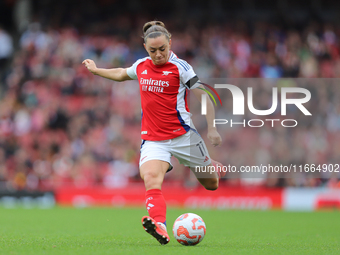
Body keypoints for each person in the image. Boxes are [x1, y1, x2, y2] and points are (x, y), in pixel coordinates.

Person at [83, 20, 223, 245]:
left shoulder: (181, 67)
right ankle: (160, 225)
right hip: (153, 139)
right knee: (150, 178)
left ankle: (208, 163)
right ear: (145, 47)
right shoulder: (141, 65)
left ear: (170, 43)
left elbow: (204, 96)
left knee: (211, 183)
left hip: (184, 137)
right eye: (152, 50)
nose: (158, 54)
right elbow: (121, 73)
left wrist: (213, 128)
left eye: (162, 49)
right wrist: (96, 70)